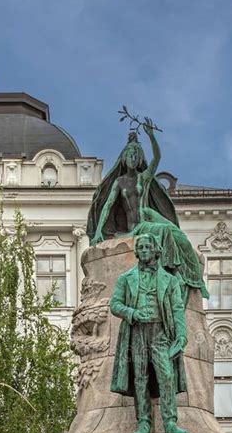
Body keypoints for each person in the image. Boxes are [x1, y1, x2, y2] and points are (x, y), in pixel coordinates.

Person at [88, 121, 209, 302]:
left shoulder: (143, 178)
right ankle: (175, 269)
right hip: (137, 227)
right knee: (166, 231)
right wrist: (98, 231)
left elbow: (156, 159)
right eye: (130, 154)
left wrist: (151, 136)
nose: (133, 157)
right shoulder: (119, 182)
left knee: (180, 236)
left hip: (149, 216)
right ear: (123, 158)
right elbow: (108, 205)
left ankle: (196, 280)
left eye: (137, 154)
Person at [110, 233, 188, 433]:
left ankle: (170, 423)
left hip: (160, 333)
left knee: (167, 376)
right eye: (141, 247)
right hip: (137, 332)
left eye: (147, 247)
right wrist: (133, 313)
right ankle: (143, 422)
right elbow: (115, 305)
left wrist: (181, 335)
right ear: (137, 252)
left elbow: (178, 309)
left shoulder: (170, 281)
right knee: (140, 378)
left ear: (155, 251)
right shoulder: (126, 278)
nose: (144, 250)